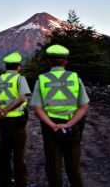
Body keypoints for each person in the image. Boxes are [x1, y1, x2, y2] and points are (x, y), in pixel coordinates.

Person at [31, 44, 89, 187]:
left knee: (53, 166)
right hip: (72, 126)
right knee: (73, 166)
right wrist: (68, 124)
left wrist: (52, 125)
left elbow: (36, 107)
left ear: (48, 61)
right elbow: (84, 106)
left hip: (50, 127)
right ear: (65, 61)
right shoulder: (75, 79)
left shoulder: (42, 80)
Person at [0, 52, 31, 187]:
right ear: (18, 67)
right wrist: (7, 110)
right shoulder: (20, 79)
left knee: (5, 153)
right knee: (19, 155)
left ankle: (5, 182)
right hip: (18, 122)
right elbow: (22, 98)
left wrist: (0, 111)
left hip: (3, 122)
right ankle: (21, 183)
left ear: (6, 67)